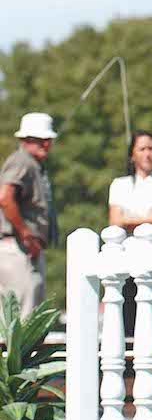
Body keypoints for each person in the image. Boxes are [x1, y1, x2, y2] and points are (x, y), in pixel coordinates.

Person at [108, 130, 152, 332]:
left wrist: (130, 218)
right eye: (142, 149)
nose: (147, 154)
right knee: (129, 312)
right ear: (132, 155)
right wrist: (151, 215)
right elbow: (114, 221)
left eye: (151, 149)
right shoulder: (119, 184)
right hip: (128, 257)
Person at [0, 113, 58, 313]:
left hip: (22, 248)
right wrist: (25, 234)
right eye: (39, 141)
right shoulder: (22, 161)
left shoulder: (32, 165)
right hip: (18, 248)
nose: (46, 145)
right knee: (23, 322)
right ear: (25, 140)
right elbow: (5, 197)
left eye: (46, 140)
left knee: (24, 316)